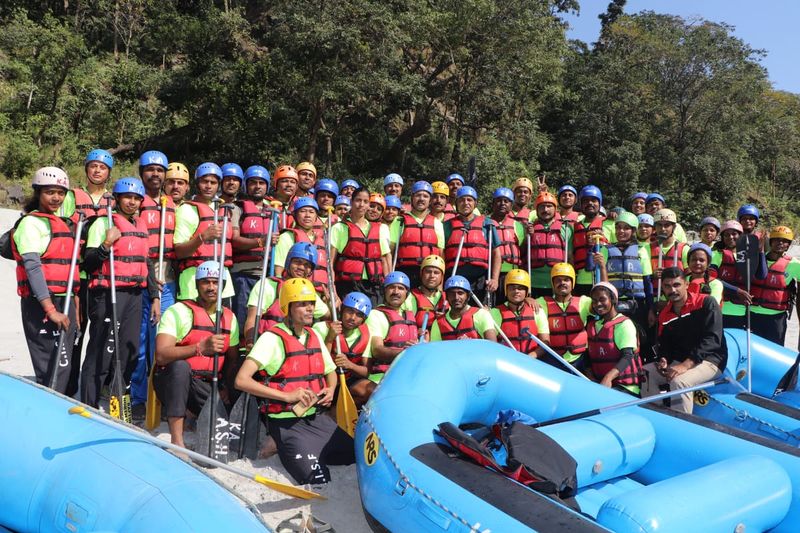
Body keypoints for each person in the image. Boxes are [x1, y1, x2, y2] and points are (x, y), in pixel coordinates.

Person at [235, 278, 354, 485]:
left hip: (316, 418)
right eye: (302, 304)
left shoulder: (314, 335)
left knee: (354, 455)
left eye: (312, 303)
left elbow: (330, 371)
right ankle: (277, 440)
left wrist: (331, 388)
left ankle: (280, 444)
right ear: (288, 308)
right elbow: (241, 380)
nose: (310, 309)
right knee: (317, 479)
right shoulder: (271, 339)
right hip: (286, 423)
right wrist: (287, 396)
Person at [81, 177, 158, 409]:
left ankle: (117, 404)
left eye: (136, 198)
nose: (132, 202)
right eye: (127, 197)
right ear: (117, 199)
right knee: (102, 352)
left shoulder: (140, 226)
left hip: (135, 295)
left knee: (128, 352)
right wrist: (106, 244)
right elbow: (88, 263)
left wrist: (154, 296)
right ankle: (88, 404)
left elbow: (146, 263)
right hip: (108, 294)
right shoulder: (103, 223)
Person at [153, 261, 239, 446]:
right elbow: (161, 355)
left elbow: (232, 361)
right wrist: (199, 348)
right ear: (197, 285)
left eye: (216, 282)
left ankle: (193, 414)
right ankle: (177, 440)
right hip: (172, 381)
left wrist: (225, 387)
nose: (211, 287)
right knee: (180, 367)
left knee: (228, 424)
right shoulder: (178, 311)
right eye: (205, 282)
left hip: (206, 384)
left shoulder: (230, 318)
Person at [12, 167, 80, 394]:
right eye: (50, 192)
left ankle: (57, 406)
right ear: (38, 193)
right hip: (41, 303)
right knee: (50, 368)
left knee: (62, 367)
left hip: (64, 299)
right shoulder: (30, 224)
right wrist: (50, 310)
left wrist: (75, 303)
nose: (56, 198)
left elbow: (70, 269)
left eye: (61, 193)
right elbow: (33, 268)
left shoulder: (58, 222)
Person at [642, 267, 727, 414]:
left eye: (676, 285)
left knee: (679, 381)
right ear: (663, 288)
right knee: (646, 372)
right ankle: (657, 416)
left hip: (711, 360)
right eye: (667, 286)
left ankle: (681, 422)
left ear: (686, 285)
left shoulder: (706, 302)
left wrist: (685, 365)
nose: (672, 290)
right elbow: (665, 345)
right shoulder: (664, 314)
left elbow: (713, 340)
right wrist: (664, 359)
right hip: (680, 361)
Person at [133, 150, 176, 413]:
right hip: (141, 280)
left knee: (162, 341)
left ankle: (162, 395)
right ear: (142, 173)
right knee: (140, 343)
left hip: (167, 281)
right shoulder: (134, 200)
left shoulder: (172, 204)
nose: (155, 174)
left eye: (160, 170)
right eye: (150, 169)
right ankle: (138, 398)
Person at [243, 242, 330, 344]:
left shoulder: (308, 292)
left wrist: (332, 305)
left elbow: (328, 316)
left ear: (311, 270)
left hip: (296, 346)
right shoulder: (267, 285)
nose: (301, 267)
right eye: (297, 262)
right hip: (270, 343)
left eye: (307, 265)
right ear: (288, 262)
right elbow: (252, 319)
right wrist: (250, 341)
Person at [173, 162, 234, 302]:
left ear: (218, 185)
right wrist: (202, 237)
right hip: (192, 285)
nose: (208, 186)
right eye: (204, 181)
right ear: (197, 184)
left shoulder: (223, 210)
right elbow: (179, 251)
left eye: (213, 182)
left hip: (223, 286)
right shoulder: (186, 209)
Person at [229, 165, 276, 327]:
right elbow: (234, 239)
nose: (257, 186)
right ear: (246, 185)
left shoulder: (273, 211)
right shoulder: (237, 208)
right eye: (253, 182)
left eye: (261, 183)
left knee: (264, 323)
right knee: (243, 323)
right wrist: (260, 242)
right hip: (243, 275)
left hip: (266, 276)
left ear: (267, 186)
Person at [330, 187, 391, 305]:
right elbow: (330, 263)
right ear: (351, 202)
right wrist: (333, 291)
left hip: (374, 286)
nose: (361, 205)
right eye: (358, 200)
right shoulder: (339, 228)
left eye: (366, 201)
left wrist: (388, 287)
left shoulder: (381, 229)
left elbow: (384, 261)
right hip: (348, 286)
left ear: (368, 205)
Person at [443, 186, 501, 302]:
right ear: (456, 203)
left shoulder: (487, 224)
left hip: (480, 279)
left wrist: (495, 279)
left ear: (475, 203)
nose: (466, 203)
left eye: (469, 200)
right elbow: (442, 253)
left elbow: (496, 254)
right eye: (461, 200)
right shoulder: (447, 225)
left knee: (481, 310)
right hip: (455, 277)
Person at [586, 282, 643, 395]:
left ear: (613, 300)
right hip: (600, 383)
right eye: (594, 301)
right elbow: (588, 357)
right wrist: (590, 376)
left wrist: (608, 378)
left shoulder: (624, 324)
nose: (598, 304)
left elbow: (628, 356)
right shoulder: (593, 325)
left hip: (625, 387)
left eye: (602, 299)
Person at [321, 292, 374, 405]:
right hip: (325, 381)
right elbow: (318, 363)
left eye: (359, 315)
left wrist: (350, 365)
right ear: (342, 310)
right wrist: (329, 339)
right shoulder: (322, 328)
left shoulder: (366, 334)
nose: (352, 318)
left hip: (347, 381)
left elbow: (366, 372)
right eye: (349, 311)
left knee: (372, 390)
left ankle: (339, 409)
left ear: (363, 319)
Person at [711, 220, 767, 330]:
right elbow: (712, 278)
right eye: (726, 235)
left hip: (741, 311)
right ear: (722, 237)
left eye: (734, 234)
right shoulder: (716, 254)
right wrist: (737, 291)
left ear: (741, 236)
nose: (730, 237)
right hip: (719, 308)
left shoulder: (749, 256)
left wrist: (760, 251)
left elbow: (761, 275)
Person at [750, 226, 800, 345]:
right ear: (771, 242)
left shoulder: (794, 264)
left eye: (784, 241)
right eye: (777, 239)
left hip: (776, 318)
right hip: (751, 315)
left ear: (788, 245)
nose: (780, 243)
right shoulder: (756, 259)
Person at [536, 263, 592, 371]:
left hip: (579, 360)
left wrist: (602, 268)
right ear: (552, 283)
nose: (562, 283)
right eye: (558, 280)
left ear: (572, 283)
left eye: (566, 280)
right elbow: (521, 304)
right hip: (553, 359)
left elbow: (603, 296)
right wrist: (528, 299)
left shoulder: (583, 301)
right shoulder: (541, 302)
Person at [365, 272, 419, 381]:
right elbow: (377, 350)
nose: (396, 292)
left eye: (401, 288)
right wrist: (405, 353)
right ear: (384, 291)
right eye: (391, 287)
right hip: (383, 377)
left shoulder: (410, 316)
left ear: (407, 294)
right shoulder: (375, 315)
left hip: (408, 373)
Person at [390, 181, 444, 288]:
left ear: (430, 200)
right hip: (404, 272)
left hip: (429, 273)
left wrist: (440, 286)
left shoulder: (437, 223)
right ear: (412, 198)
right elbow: (391, 251)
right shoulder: (399, 221)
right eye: (418, 195)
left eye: (425, 196)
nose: (421, 199)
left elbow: (441, 254)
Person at [602, 211, 652, 328]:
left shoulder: (641, 250)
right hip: (614, 302)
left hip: (637, 303)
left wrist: (650, 308)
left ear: (633, 231)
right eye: (618, 228)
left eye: (626, 228)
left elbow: (647, 281)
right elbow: (594, 271)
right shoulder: (606, 250)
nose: (621, 231)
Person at [274, 197, 330, 294]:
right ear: (295, 215)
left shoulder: (322, 241)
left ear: (316, 217)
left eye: (311, 212)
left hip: (318, 294)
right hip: (294, 291)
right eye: (303, 211)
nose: (307, 215)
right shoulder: (287, 237)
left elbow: (328, 270)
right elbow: (278, 270)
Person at [490, 269, 549, 358]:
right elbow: (492, 344)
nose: (516, 291)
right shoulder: (495, 312)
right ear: (506, 290)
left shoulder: (537, 311)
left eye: (520, 288)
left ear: (526, 291)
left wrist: (530, 357)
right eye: (512, 288)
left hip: (533, 360)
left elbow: (545, 342)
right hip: (507, 360)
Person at [571, 185, 612, 296]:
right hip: (581, 281)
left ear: (600, 203)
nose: (590, 203)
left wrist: (604, 240)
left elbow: (619, 248)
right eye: (585, 201)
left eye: (594, 200)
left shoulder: (610, 223)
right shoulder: (575, 227)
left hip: (604, 278)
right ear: (581, 205)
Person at [528, 191, 570, 298]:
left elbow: (570, 256)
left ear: (555, 209)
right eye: (542, 207)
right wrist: (528, 235)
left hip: (557, 282)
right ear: (536, 210)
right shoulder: (529, 229)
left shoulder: (565, 228)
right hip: (534, 282)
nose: (545, 210)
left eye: (549, 206)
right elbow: (523, 253)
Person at [430, 276, 497, 341]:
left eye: (460, 293)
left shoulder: (482, 315)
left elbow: (492, 345)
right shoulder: (438, 323)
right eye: (452, 293)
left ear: (468, 296)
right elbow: (435, 348)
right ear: (446, 297)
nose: (456, 297)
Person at [646, 209, 687, 308]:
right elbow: (644, 276)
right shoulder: (647, 248)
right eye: (659, 225)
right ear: (655, 227)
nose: (663, 229)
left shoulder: (684, 249)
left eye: (667, 225)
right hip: (655, 298)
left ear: (674, 227)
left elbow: (689, 275)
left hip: (677, 299)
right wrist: (653, 275)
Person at [489, 187, 525, 305]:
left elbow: (523, 250)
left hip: (512, 274)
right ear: (493, 203)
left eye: (506, 201)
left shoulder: (517, 225)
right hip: (490, 273)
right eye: (499, 200)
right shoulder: (485, 223)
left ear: (511, 205)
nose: (502, 203)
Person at [402, 254, 448, 334]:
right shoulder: (409, 297)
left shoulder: (448, 298)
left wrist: (446, 318)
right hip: (420, 340)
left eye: (436, 273)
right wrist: (415, 332)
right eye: (428, 272)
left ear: (442, 277)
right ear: (421, 274)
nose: (432, 276)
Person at [271, 165, 299, 230]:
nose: (289, 185)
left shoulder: (299, 207)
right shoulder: (265, 204)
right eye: (284, 181)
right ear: (276, 184)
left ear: (296, 186)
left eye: (292, 182)